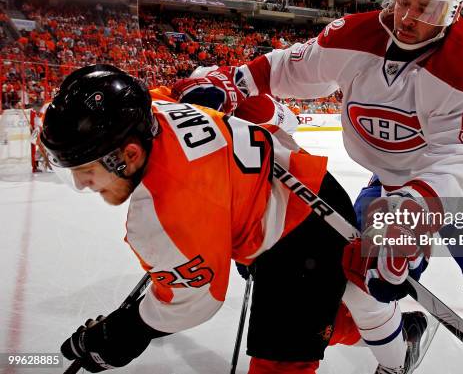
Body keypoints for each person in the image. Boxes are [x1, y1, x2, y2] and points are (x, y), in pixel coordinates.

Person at [178, 0, 463, 370]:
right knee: (355, 291)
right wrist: (236, 82)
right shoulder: (357, 33)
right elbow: (291, 68)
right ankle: (399, 358)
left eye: (427, 9)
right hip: (389, 185)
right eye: (404, 1)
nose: (408, 18)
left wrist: (409, 219)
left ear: (454, 10)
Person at [41, 64, 422, 374]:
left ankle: (394, 343)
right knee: (321, 307)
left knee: (282, 354)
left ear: (129, 154)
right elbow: (168, 93)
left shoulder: (168, 211)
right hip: (297, 189)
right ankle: (397, 337)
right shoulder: (151, 112)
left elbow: (196, 301)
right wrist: (201, 83)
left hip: (299, 226)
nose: (82, 183)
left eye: (85, 170)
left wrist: (124, 333)